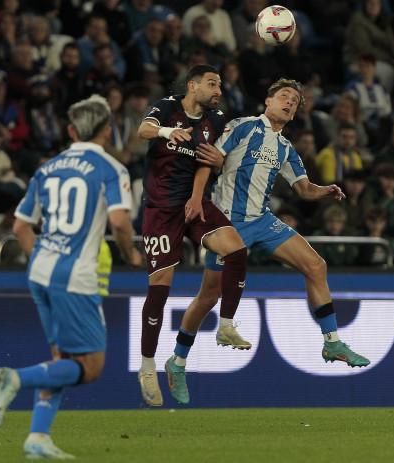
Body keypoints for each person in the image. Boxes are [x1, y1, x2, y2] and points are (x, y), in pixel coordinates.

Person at [185, 79, 370, 402]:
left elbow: (304, 189)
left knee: (316, 265)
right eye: (284, 96)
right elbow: (215, 156)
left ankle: (332, 342)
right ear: (267, 101)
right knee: (208, 297)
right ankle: (177, 360)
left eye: (295, 101)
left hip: (262, 221)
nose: (289, 102)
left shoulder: (285, 148)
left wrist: (325, 190)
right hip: (227, 223)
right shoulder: (242, 127)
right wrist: (212, 163)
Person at [0, 94, 141, 459]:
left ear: (71, 130)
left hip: (40, 271)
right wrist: (128, 253)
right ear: (107, 131)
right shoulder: (111, 169)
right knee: (90, 368)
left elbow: (21, 226)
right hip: (75, 276)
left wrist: (41, 258)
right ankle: (16, 378)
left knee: (61, 361)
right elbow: (119, 221)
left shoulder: (47, 168)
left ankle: (37, 438)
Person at [137, 64, 249, 407]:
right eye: (212, 84)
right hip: (160, 210)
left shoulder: (215, 121)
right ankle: (146, 366)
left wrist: (197, 197)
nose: (218, 91)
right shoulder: (168, 106)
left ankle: (226, 324)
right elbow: (143, 130)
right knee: (160, 289)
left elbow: (204, 162)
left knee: (237, 251)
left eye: (220, 85)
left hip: (193, 202)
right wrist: (166, 132)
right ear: (192, 86)